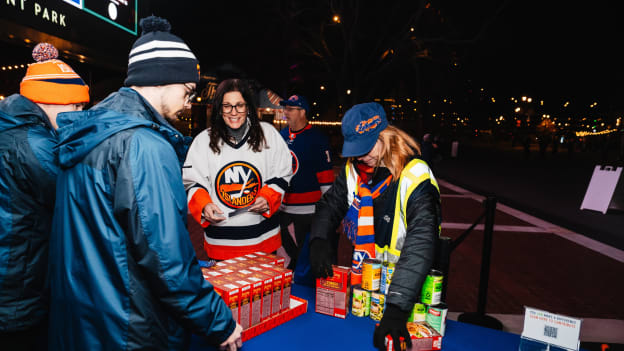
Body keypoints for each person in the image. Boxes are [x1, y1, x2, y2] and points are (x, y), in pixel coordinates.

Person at [47, 16, 242, 351]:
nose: (188, 101)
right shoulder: (144, 146)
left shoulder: (93, 132)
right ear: (162, 78)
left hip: (84, 320)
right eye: (188, 89)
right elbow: (167, 261)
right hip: (128, 326)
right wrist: (218, 322)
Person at [308, 102, 441, 351]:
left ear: (386, 136)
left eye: (365, 147)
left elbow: (422, 240)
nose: (359, 156)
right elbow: (329, 206)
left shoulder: (415, 174)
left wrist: (398, 305)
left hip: (409, 288)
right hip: (370, 285)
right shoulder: (354, 171)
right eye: (354, 150)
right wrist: (319, 239)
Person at [0, 42, 89, 351]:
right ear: (51, 100)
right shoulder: (35, 143)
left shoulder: (12, 128)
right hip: (17, 288)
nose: (79, 114)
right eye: (75, 106)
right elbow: (77, 198)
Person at [183, 78, 292, 260]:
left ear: (248, 107)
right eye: (227, 106)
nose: (234, 112)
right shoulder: (203, 141)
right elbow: (193, 181)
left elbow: (283, 172)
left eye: (239, 105)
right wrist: (204, 205)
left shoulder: (268, 134)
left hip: (262, 241)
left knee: (265, 289)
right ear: (219, 108)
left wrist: (268, 197)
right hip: (221, 244)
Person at [278, 94, 334, 270]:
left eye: (290, 109)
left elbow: (326, 178)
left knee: (306, 250)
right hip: (283, 206)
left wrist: (327, 211)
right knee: (276, 237)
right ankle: (291, 269)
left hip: (309, 209)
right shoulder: (281, 135)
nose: (286, 112)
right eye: (285, 108)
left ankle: (303, 281)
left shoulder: (317, 138)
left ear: (302, 112)